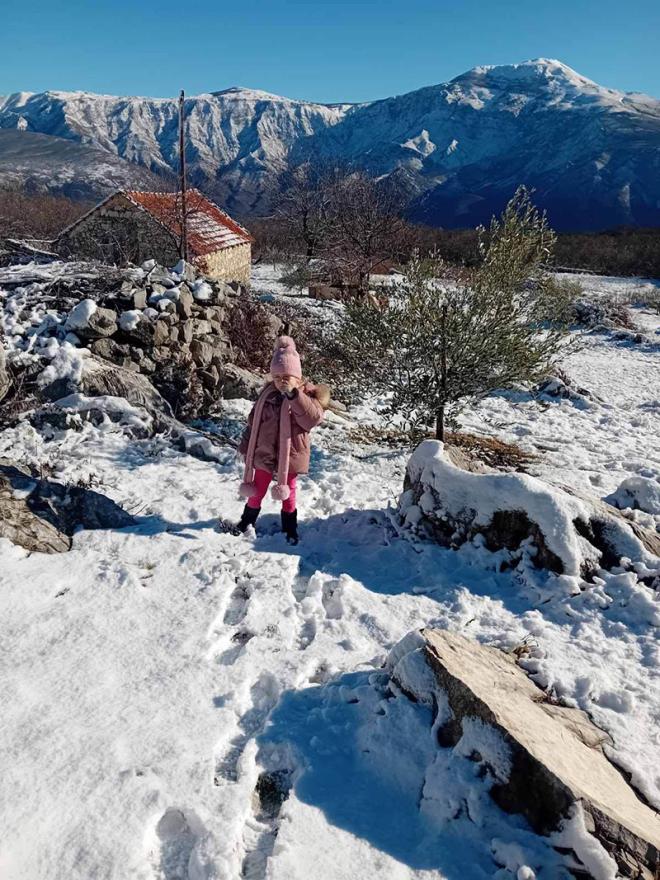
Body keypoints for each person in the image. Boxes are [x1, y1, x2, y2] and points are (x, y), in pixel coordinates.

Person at [234, 335, 330, 543]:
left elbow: (312, 419)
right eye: (277, 378)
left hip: (291, 455)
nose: (281, 382)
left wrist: (295, 396)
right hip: (265, 451)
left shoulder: (306, 398)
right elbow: (253, 424)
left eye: (287, 377)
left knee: (288, 492)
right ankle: (247, 521)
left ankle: (290, 527)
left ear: (298, 378)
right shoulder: (266, 397)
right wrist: (245, 446)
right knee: (257, 489)